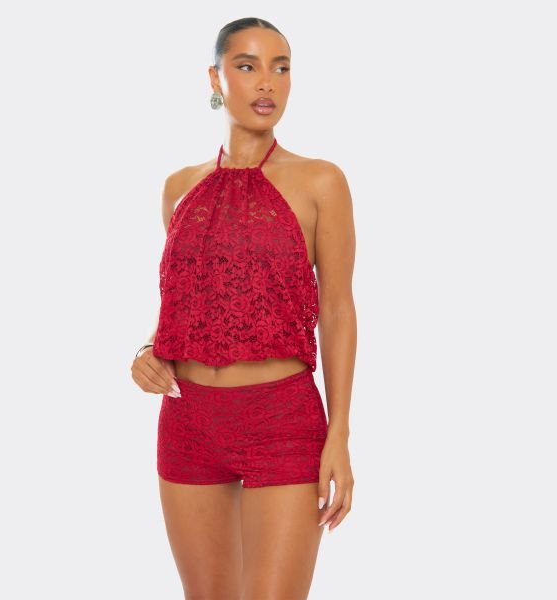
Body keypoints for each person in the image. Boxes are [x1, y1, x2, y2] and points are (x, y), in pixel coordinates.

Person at [131, 17, 357, 600]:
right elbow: (186, 299)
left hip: (281, 422)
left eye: (281, 68)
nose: (267, 83)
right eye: (247, 65)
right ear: (215, 78)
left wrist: (339, 434)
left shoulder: (320, 181)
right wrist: (148, 350)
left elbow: (337, 309)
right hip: (187, 422)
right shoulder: (179, 187)